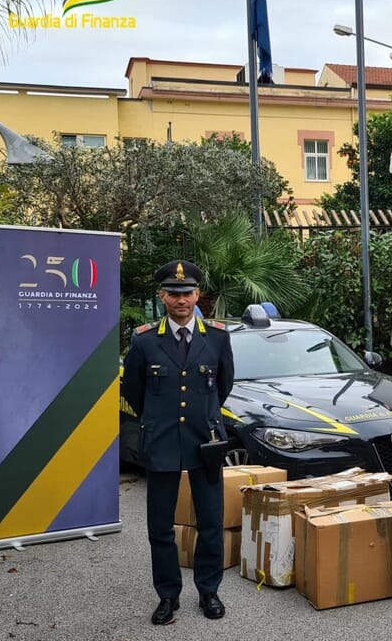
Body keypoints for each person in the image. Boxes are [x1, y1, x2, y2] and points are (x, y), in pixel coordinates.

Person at [121, 260, 234, 625]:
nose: (181, 300)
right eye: (173, 293)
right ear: (162, 297)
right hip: (162, 441)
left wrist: (203, 415)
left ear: (197, 295)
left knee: (211, 523)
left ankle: (208, 591)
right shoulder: (144, 340)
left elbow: (223, 386)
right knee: (160, 527)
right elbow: (133, 390)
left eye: (187, 293)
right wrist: (159, 418)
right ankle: (168, 596)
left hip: (206, 441)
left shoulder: (217, 337)